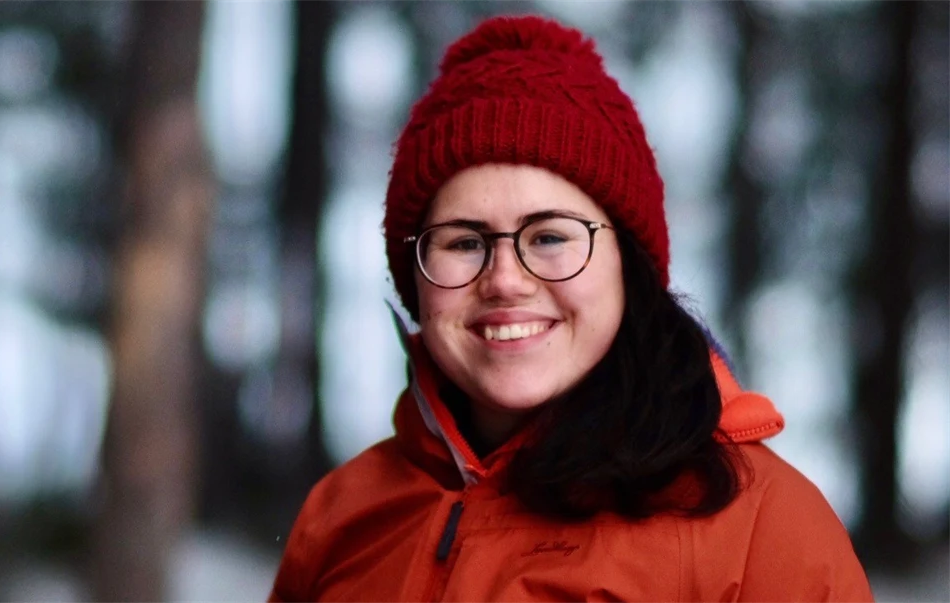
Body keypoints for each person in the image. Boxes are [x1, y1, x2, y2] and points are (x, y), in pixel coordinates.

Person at [269, 14, 873, 603]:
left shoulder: (761, 532)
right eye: (464, 242)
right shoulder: (340, 518)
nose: (505, 279)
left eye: (550, 237)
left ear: (627, 266)